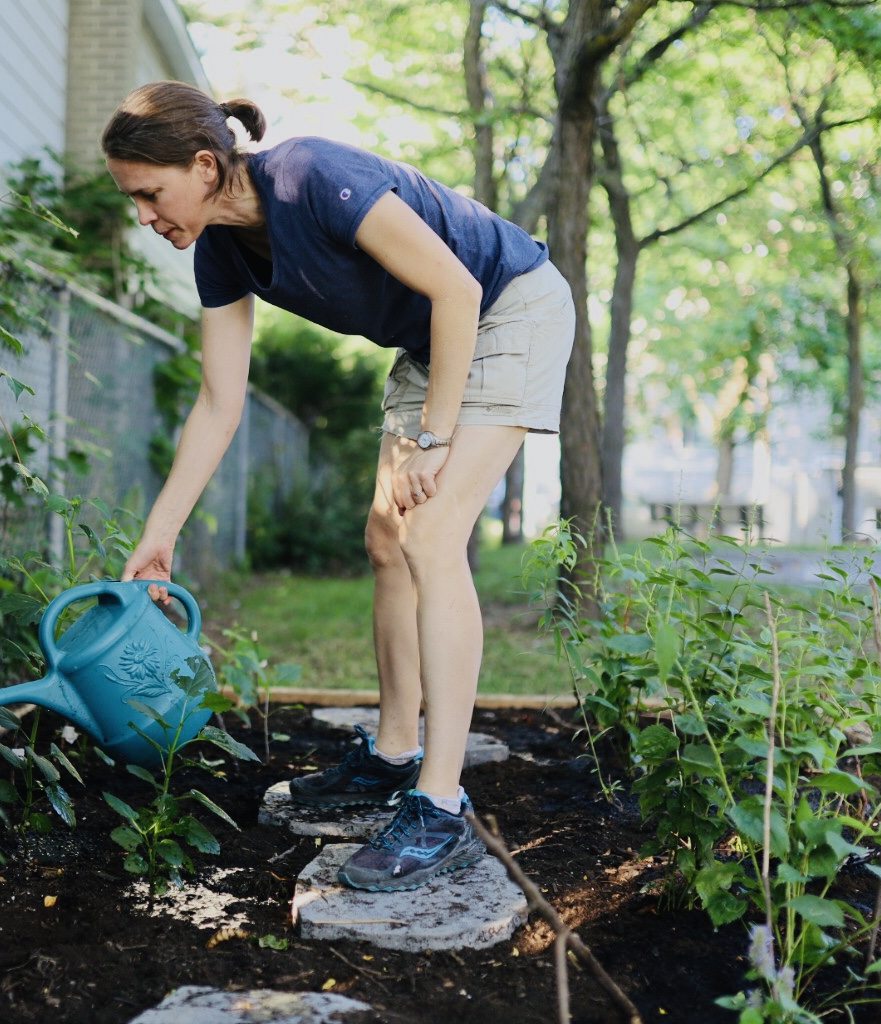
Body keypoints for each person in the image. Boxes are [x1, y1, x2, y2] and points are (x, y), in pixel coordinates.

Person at [103, 81, 574, 892]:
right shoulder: (220, 248)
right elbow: (219, 400)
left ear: (205, 164)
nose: (144, 216)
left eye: (150, 194)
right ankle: (395, 754)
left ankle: (441, 805)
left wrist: (433, 437)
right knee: (386, 541)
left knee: (430, 533)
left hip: (507, 307)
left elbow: (458, 287)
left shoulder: (310, 175)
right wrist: (161, 530)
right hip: (437, 335)